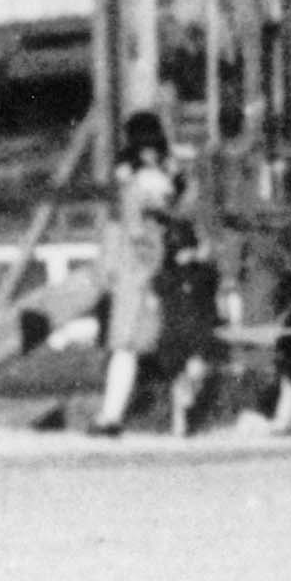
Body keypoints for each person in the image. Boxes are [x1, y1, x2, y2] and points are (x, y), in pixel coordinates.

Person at [91, 111, 188, 435]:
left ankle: (112, 415)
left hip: (139, 267)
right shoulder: (164, 177)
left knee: (127, 345)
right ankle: (175, 418)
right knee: (156, 343)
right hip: (157, 264)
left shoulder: (138, 181)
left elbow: (130, 228)